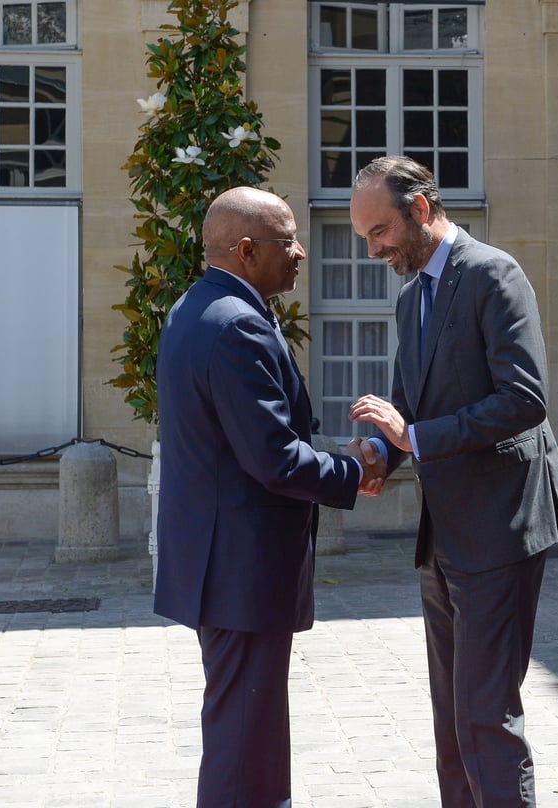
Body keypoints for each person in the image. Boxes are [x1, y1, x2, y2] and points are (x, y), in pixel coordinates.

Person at [346, 155, 558, 807]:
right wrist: (377, 456)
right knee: (453, 725)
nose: (372, 249)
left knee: (485, 720)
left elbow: (524, 399)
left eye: (379, 231)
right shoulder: (409, 295)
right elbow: (407, 405)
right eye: (365, 236)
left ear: (420, 208)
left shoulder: (493, 274)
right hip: (443, 535)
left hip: (500, 528)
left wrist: (412, 438)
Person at [153, 186, 381, 807]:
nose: (302, 253)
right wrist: (353, 468)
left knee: (244, 736)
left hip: (221, 562)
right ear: (247, 250)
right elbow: (273, 458)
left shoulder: (198, 307)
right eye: (288, 241)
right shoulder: (237, 327)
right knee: (244, 747)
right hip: (240, 568)